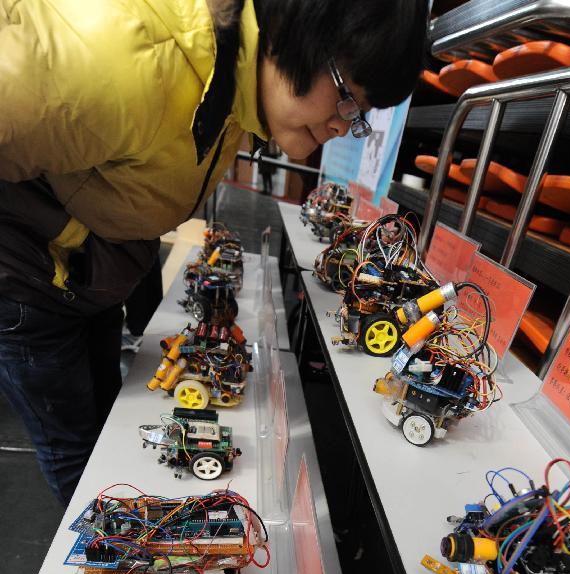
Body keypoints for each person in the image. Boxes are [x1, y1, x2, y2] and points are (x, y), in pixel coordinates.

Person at [0, 0, 428, 506]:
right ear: (298, 30)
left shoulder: (233, 83)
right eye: (346, 100)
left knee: (100, 428)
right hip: (30, 284)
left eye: (357, 117)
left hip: (82, 273)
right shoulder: (120, 58)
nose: (341, 127)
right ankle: (110, 555)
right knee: (73, 448)